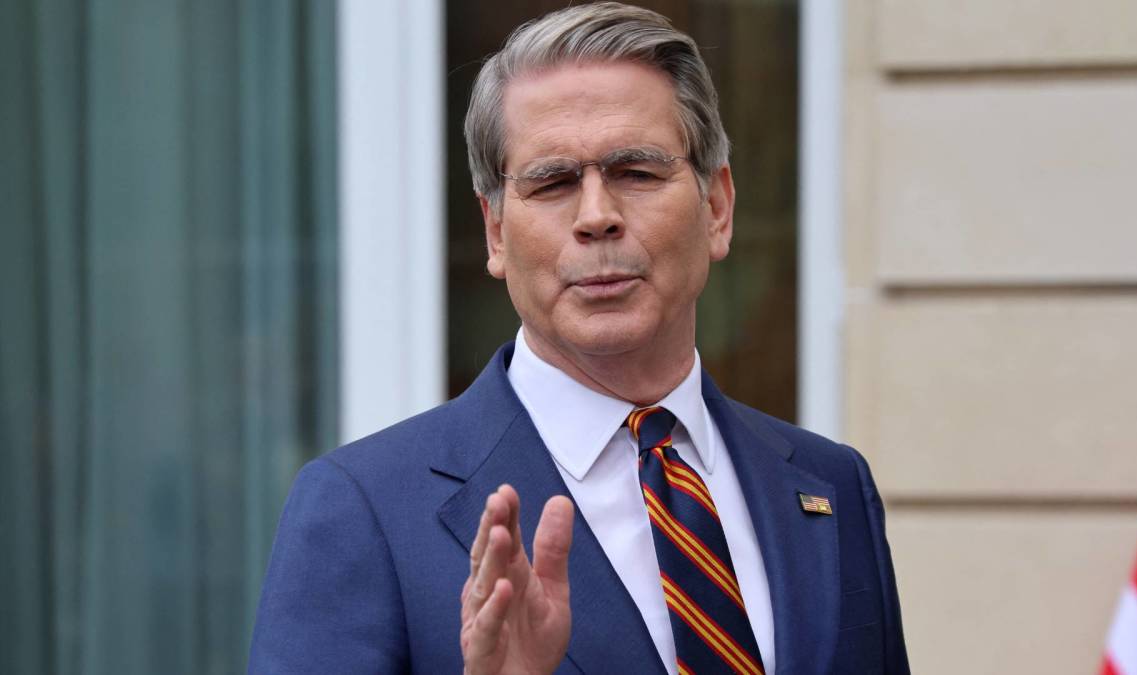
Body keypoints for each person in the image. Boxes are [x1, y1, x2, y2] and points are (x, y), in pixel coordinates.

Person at [248, 3, 908, 673]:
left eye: (637, 173)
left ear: (717, 207)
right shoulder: (364, 510)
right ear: (496, 232)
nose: (597, 216)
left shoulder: (832, 484)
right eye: (553, 182)